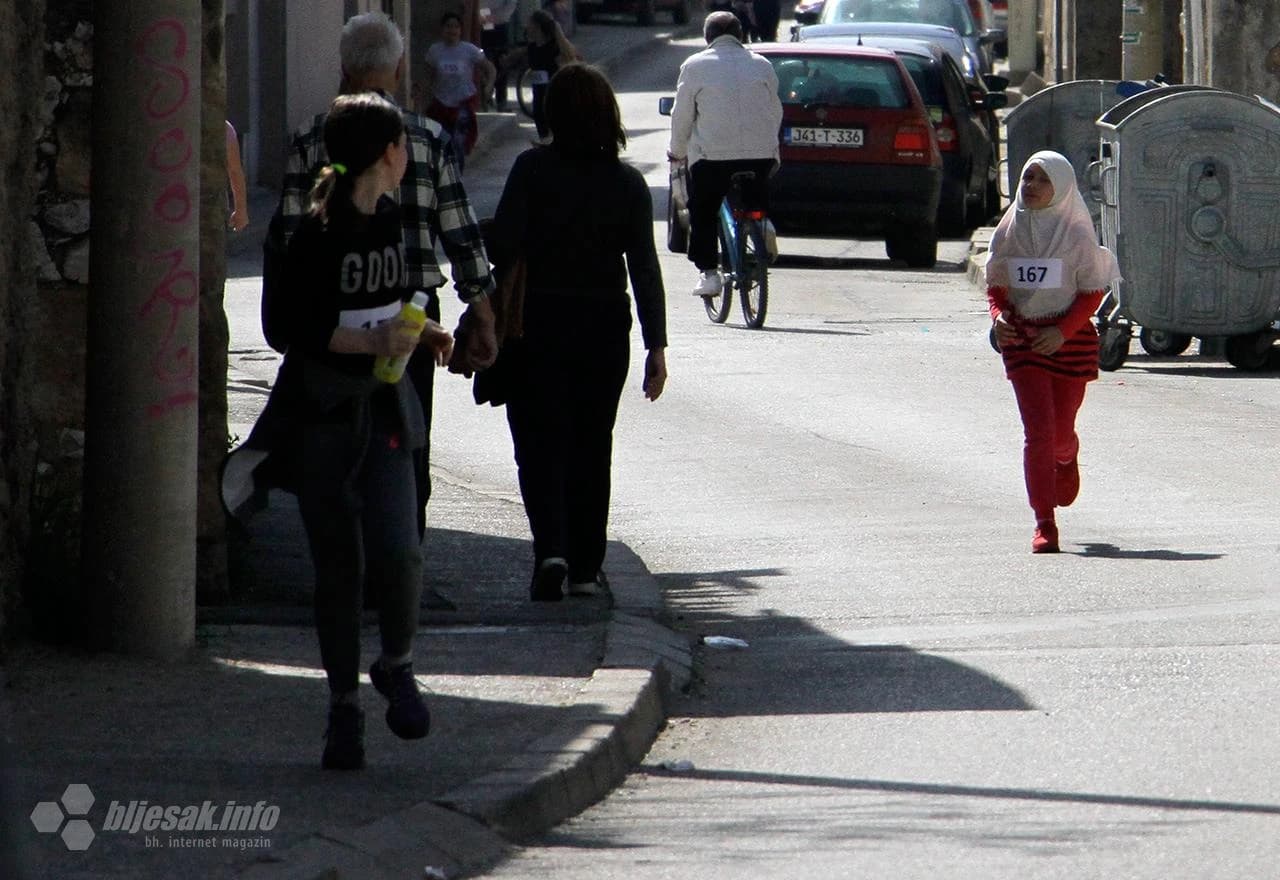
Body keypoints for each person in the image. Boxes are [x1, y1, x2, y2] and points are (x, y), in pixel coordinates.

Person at [270, 92, 454, 769]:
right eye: (404, 145)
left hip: (386, 407)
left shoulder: (391, 220)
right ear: (388, 154)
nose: (409, 156)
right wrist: (367, 338)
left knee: (400, 547)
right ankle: (343, 710)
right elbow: (290, 327)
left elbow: (386, 306)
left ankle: (397, 663)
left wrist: (422, 329)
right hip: (323, 414)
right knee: (339, 568)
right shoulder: (317, 235)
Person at [273, 11, 498, 550]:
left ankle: (349, 558)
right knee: (405, 446)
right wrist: (483, 313)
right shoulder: (429, 136)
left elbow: (286, 237)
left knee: (334, 449)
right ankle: (400, 564)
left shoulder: (310, 138)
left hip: (334, 323)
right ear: (398, 68)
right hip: (409, 319)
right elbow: (460, 232)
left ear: (345, 69)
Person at [488, 63, 668, 601]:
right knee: (592, 445)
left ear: (553, 115)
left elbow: (503, 244)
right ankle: (588, 567)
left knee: (539, 444)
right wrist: (655, 346)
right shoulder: (627, 183)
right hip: (603, 327)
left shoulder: (531, 169)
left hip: (535, 326)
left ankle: (552, 551)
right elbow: (644, 268)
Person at [985, 150, 1120, 554]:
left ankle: (1067, 454)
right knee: (1038, 433)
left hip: (1069, 340)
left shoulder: (1076, 235)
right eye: (1027, 178)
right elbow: (997, 282)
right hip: (1023, 339)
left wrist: (1061, 332)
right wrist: (998, 317)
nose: (1031, 187)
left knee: (1060, 432)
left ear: (1060, 188)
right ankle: (1044, 522)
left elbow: (1092, 292)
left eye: (1042, 180)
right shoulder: (1009, 231)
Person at [668, 11, 782, 298]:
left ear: (708, 38)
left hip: (713, 158)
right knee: (755, 200)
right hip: (760, 156)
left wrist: (677, 152)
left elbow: (681, 116)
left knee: (703, 211)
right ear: (741, 35)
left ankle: (709, 274)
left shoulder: (694, 66)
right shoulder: (762, 64)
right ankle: (761, 223)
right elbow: (775, 111)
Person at [423, 11, 497, 173]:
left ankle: (456, 175)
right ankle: (442, 174)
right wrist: (423, 94)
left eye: (456, 27)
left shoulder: (469, 50)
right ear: (442, 29)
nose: (452, 30)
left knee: (457, 143)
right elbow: (428, 76)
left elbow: (490, 68)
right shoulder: (435, 51)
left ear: (461, 30)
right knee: (440, 142)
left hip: (463, 103)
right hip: (441, 103)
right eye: (448, 26)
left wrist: (489, 85)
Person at [523, 8, 578, 143]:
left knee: (555, 136)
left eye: (529, 23)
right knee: (543, 136)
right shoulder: (532, 47)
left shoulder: (555, 47)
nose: (526, 27)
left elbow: (570, 57)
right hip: (538, 99)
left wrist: (558, 30)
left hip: (555, 97)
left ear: (537, 26)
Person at [480, 0, 518, 109]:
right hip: (482, 23)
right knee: (484, 61)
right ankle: (486, 98)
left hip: (500, 25)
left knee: (501, 63)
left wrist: (497, 17)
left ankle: (501, 100)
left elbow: (511, 4)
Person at [225, 120, 249, 232]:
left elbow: (235, 170)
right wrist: (241, 211)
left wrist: (241, 210)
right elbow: (235, 171)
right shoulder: (224, 128)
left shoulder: (225, 129)